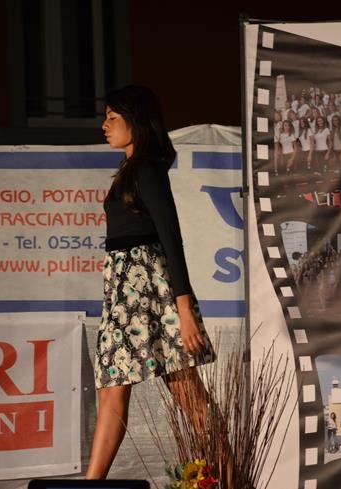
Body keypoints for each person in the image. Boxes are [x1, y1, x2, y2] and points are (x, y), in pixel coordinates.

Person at [87, 85, 216, 479]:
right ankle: (90, 484)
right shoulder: (130, 169)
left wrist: (184, 309)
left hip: (151, 291)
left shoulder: (146, 168)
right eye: (105, 117)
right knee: (112, 387)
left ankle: (232, 474)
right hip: (123, 294)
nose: (105, 125)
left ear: (136, 121)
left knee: (184, 387)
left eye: (113, 117)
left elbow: (170, 237)